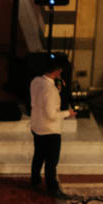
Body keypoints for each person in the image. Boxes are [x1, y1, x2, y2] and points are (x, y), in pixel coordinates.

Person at [29, 53, 70, 195]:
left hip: (36, 125)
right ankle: (52, 188)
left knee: (38, 156)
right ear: (57, 71)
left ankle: (35, 181)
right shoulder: (51, 90)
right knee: (51, 162)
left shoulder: (35, 81)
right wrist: (68, 113)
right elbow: (52, 115)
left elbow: (42, 100)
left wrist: (57, 90)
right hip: (50, 130)